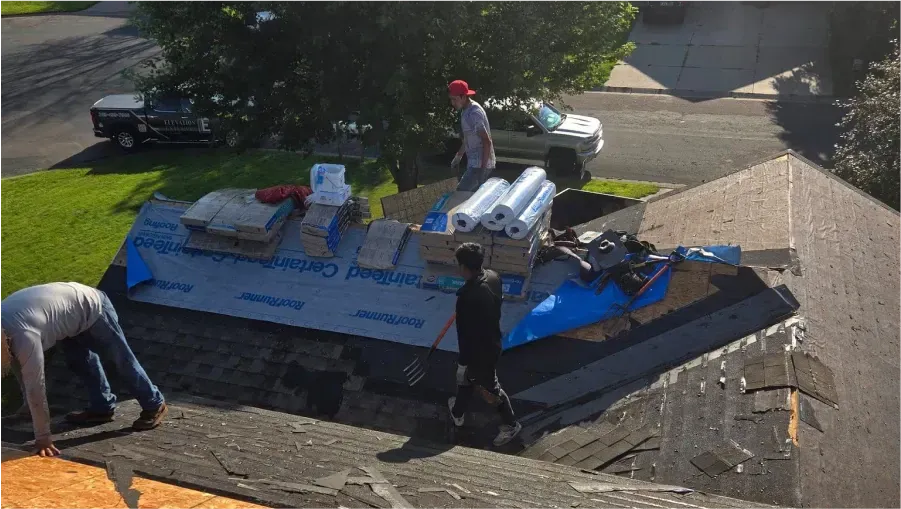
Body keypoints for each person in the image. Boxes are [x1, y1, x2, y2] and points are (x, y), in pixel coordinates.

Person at [0, 282, 167, 456]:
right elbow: (18, 365)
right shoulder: (5, 331)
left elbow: (36, 387)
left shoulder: (25, 337)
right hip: (67, 312)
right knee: (80, 363)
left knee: (120, 361)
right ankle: (102, 408)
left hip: (92, 306)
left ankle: (154, 404)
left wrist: (43, 438)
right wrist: (28, 408)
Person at [448, 243, 521, 446]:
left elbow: (465, 335)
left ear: (463, 267)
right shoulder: (492, 276)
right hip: (491, 341)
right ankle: (458, 411)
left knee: (489, 388)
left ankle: (511, 424)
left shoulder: (468, 297)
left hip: (481, 352)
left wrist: (463, 361)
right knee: (469, 379)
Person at [448, 79, 496, 192]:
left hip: (480, 165)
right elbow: (469, 138)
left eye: (454, 99)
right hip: (475, 164)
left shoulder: (474, 113)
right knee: (468, 196)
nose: (452, 103)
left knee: (461, 193)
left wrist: (483, 170)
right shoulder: (465, 111)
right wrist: (458, 156)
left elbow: (487, 141)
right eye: (451, 99)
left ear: (464, 97)